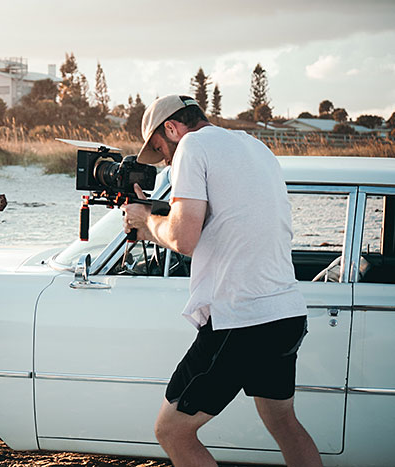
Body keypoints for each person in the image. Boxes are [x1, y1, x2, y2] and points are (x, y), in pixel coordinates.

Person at [122, 95, 322, 467]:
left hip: (239, 318)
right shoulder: (253, 145)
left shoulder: (192, 146)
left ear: (172, 128)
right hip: (284, 312)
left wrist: (147, 218)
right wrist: (148, 224)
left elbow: (183, 239)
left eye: (161, 149)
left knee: (172, 431)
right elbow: (222, 228)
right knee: (284, 422)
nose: (164, 159)